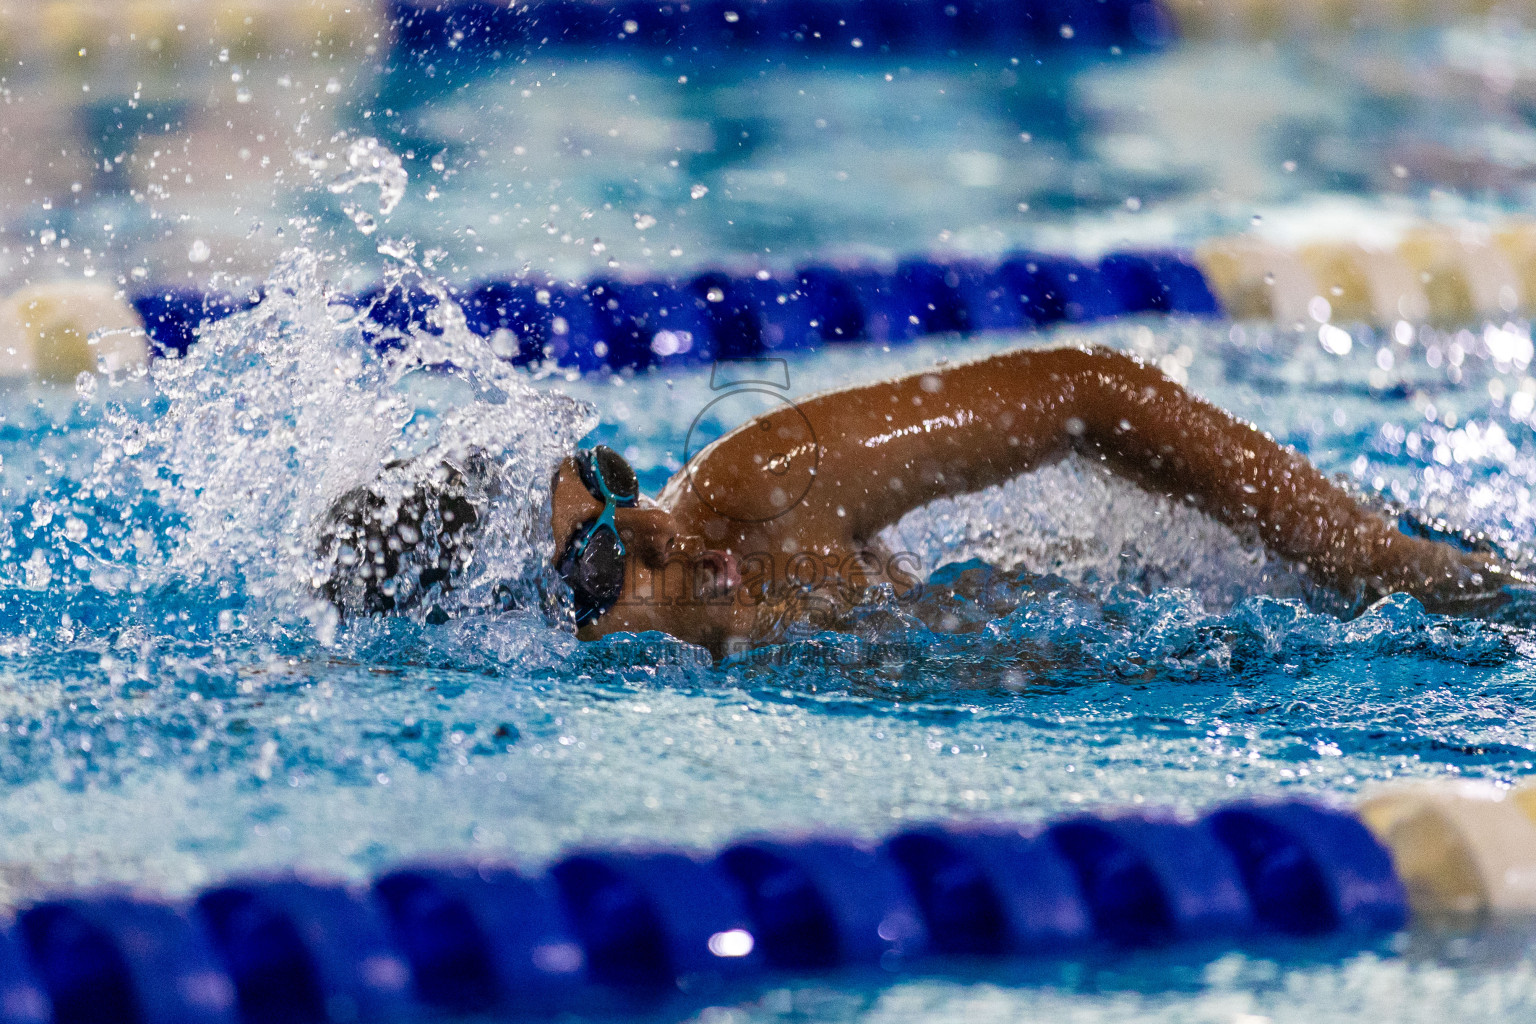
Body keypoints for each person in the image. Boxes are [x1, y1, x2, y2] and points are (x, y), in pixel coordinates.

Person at [319, 344, 1524, 656]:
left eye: (621, 480)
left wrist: (1361, 553)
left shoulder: (757, 491)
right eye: (595, 569)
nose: (655, 530)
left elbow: (1087, 391)